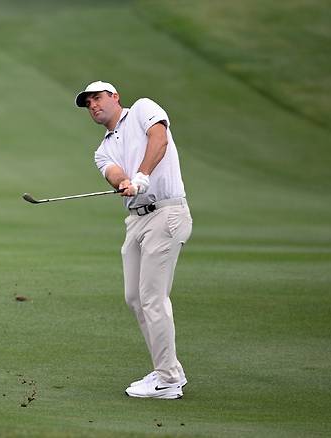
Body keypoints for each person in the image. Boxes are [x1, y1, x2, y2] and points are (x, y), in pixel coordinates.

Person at [75, 81, 192, 399]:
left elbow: (160, 139)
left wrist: (141, 175)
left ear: (115, 97)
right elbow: (111, 172)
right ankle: (170, 369)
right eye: (88, 104)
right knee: (135, 298)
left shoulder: (142, 109)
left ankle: (167, 380)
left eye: (97, 98)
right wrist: (125, 181)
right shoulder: (103, 149)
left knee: (153, 298)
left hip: (166, 212)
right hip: (137, 221)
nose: (93, 106)